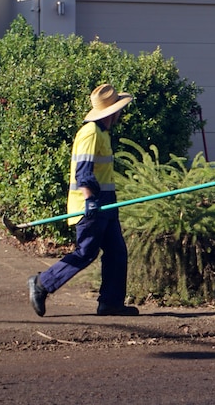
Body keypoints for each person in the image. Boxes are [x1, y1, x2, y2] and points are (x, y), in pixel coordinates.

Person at [28, 84, 139, 317]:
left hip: (106, 203)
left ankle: (110, 302)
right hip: (90, 205)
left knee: (117, 252)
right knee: (86, 252)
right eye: (120, 109)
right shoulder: (90, 133)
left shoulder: (104, 133)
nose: (121, 113)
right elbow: (83, 171)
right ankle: (42, 284)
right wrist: (90, 200)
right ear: (113, 112)